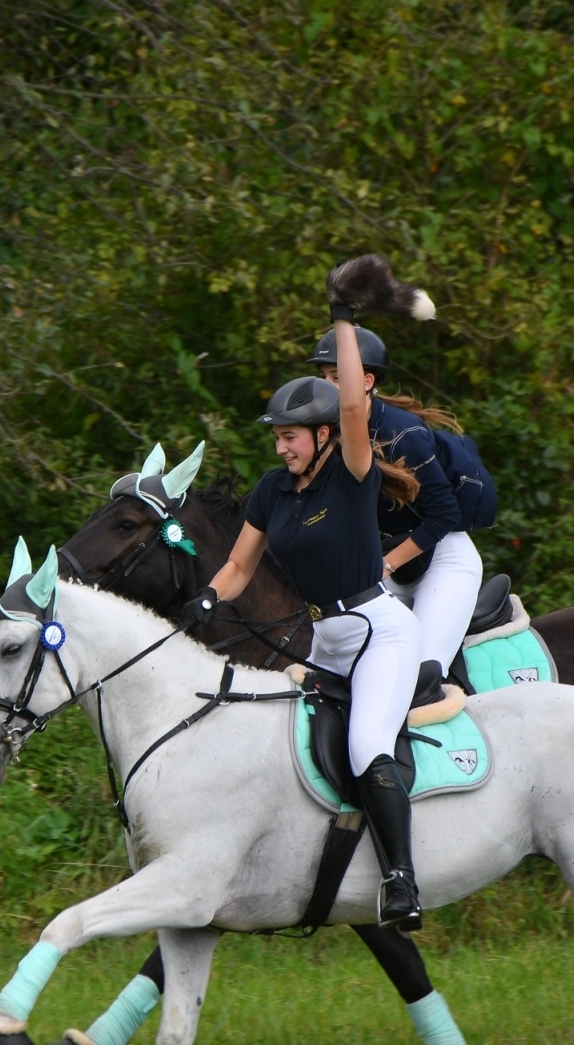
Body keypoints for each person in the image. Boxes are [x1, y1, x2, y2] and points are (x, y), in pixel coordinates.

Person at [182, 316, 426, 929]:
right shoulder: (273, 490)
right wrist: (208, 598)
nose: (280, 448)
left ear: (323, 435)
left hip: (378, 631)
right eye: (276, 438)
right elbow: (240, 565)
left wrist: (343, 318)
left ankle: (402, 880)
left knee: (366, 745)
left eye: (290, 437)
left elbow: (353, 404)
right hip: (327, 640)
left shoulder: (351, 473)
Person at [307, 326, 484, 672]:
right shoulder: (328, 434)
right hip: (390, 560)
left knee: (419, 672)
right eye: (324, 376)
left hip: (442, 559)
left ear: (367, 381)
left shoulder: (403, 433)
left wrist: (386, 565)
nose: (327, 385)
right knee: (328, 660)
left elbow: (445, 514)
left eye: (337, 377)